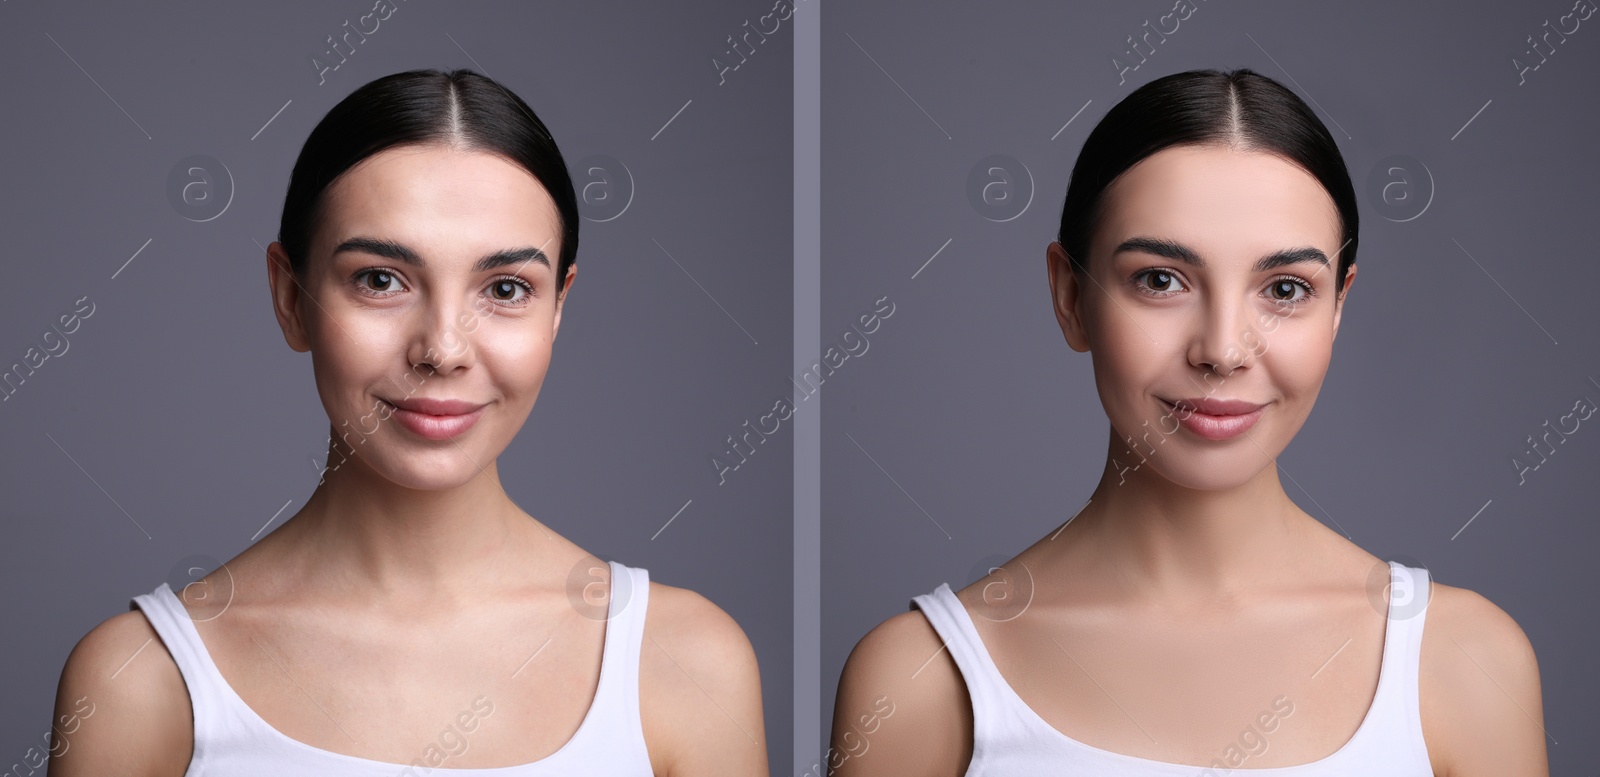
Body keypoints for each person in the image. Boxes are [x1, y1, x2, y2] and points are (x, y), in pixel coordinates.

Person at [829, 68, 1547, 776]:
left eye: (1286, 288)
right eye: (1161, 280)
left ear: (1339, 306)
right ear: (1070, 296)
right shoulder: (918, 681)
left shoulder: (1465, 660)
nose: (1223, 349)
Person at [49, 68, 766, 776]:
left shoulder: (685, 662)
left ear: (558, 308)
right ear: (290, 297)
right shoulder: (138, 682)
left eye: (507, 288)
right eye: (380, 279)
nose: (443, 349)